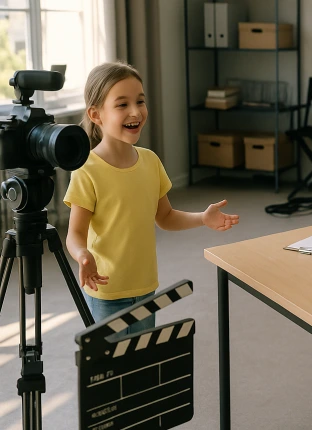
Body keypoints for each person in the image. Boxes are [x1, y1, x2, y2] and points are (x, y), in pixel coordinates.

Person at [64, 61, 239, 334]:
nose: (136, 111)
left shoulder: (150, 161)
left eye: (140, 101)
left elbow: (165, 217)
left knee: (142, 358)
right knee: (112, 361)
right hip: (107, 291)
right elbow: (74, 234)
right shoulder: (87, 170)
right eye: (122, 104)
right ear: (96, 114)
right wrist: (82, 254)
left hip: (145, 287)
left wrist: (202, 218)